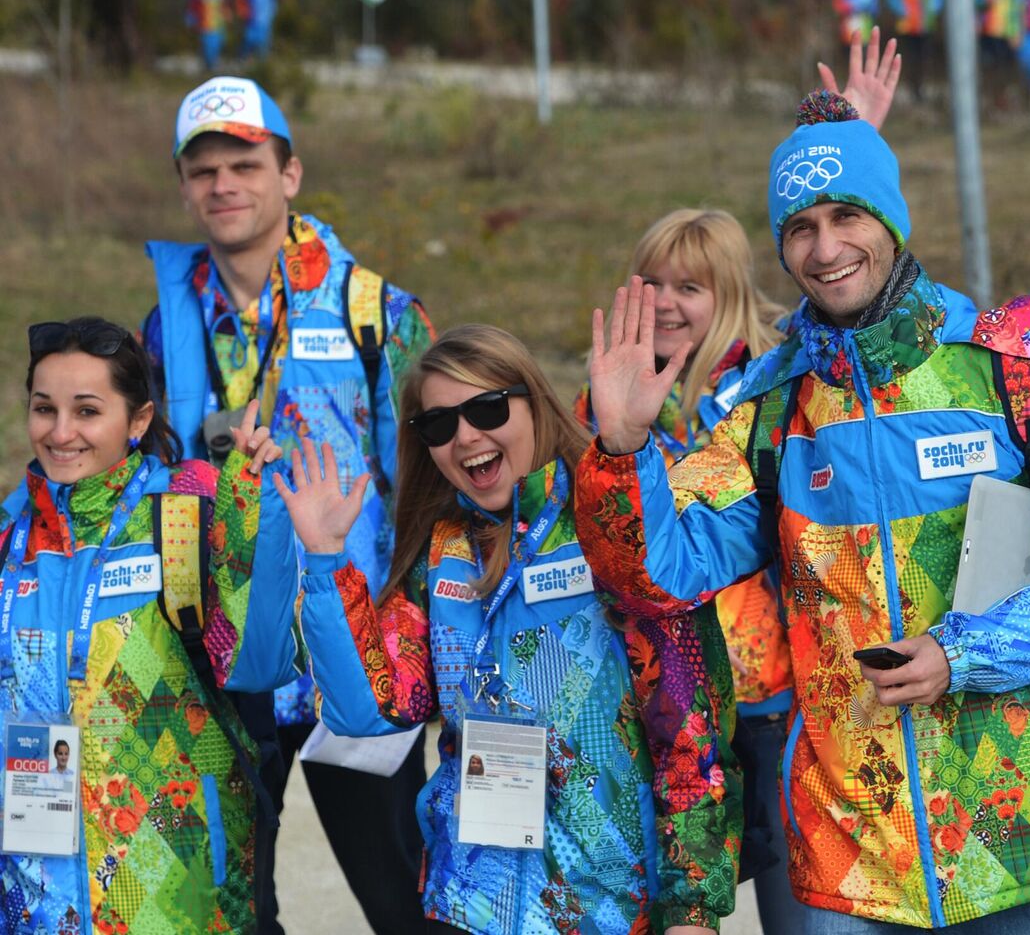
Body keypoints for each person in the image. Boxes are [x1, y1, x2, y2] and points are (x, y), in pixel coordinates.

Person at [572, 89, 1030, 931]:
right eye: (800, 227)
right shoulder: (773, 411)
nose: (825, 248)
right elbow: (660, 575)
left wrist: (962, 655)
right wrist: (623, 452)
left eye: (847, 215)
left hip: (1021, 828)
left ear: (892, 219)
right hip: (851, 853)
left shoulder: (1015, 374)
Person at [279, 324, 740, 934]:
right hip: (470, 905)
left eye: (487, 407)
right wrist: (327, 564)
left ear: (536, 402)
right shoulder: (440, 549)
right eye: (439, 425)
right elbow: (372, 708)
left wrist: (693, 909)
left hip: (611, 910)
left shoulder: (610, 522)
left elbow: (689, 728)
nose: (466, 436)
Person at [144, 75, 436, 934]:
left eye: (246, 163)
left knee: (406, 903)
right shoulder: (164, 327)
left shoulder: (374, 310)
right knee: (234, 909)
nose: (224, 185)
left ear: (291, 173)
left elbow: (429, 483)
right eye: (204, 171)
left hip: (350, 647)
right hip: (223, 655)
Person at [2, 319, 297, 933]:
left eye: (87, 411)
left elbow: (260, 661)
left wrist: (256, 520)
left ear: (137, 421)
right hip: (32, 889)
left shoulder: (186, 514)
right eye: (43, 408)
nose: (61, 433)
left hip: (174, 890)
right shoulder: (9, 538)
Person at [573, 207, 802, 932]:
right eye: (655, 284)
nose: (668, 303)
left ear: (729, 293)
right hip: (661, 701)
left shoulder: (768, 389)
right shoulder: (610, 397)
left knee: (796, 905)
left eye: (691, 288)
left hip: (765, 700)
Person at [886, 0, 942, 102]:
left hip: (925, 25)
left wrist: (930, 10)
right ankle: (912, 90)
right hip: (907, 26)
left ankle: (924, 88)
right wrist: (905, 11)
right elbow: (892, 0)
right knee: (909, 58)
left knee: (925, 57)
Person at [185, 0, 228, 71]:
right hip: (205, 24)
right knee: (207, 48)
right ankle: (208, 69)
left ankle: (212, 67)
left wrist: (226, 14)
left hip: (218, 24)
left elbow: (223, 4)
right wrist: (191, 20)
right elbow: (192, 6)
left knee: (217, 46)